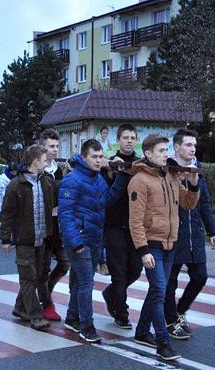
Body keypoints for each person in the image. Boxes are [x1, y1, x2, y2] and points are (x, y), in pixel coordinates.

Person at [128, 134, 200, 362]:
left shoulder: (170, 176)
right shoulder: (139, 180)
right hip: (152, 246)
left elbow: (188, 203)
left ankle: (141, 331)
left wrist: (194, 183)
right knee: (159, 290)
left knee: (156, 291)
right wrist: (143, 249)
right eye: (161, 150)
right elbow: (135, 220)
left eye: (166, 150)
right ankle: (162, 342)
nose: (166, 154)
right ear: (148, 153)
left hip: (171, 244)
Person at [58, 139, 124, 343]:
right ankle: (87, 326)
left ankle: (72, 317)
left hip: (95, 238)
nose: (98, 160)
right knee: (87, 281)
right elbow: (65, 214)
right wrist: (75, 241)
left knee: (79, 281)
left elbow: (107, 201)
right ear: (84, 157)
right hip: (80, 240)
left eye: (100, 156)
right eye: (94, 157)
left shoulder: (98, 179)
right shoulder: (72, 180)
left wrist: (121, 177)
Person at [164, 128, 215, 340]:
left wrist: (212, 230)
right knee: (170, 281)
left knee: (200, 276)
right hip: (173, 233)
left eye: (194, 145)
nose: (192, 148)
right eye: (188, 145)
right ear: (177, 146)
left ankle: (180, 311)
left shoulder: (199, 169)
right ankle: (170, 320)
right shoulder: (168, 168)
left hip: (194, 234)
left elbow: (204, 202)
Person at [0, 145, 57, 331]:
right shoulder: (16, 185)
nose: (47, 163)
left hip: (42, 238)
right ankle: (35, 315)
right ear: (35, 162)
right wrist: (6, 239)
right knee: (27, 277)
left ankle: (20, 307)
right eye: (45, 160)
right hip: (24, 239)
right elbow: (7, 214)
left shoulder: (46, 182)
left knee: (38, 276)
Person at [101, 124, 143, 330]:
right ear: (118, 140)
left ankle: (111, 294)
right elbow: (105, 198)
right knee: (119, 270)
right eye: (125, 137)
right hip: (114, 224)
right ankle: (122, 313)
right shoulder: (109, 165)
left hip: (135, 225)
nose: (129, 140)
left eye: (132, 137)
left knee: (135, 268)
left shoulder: (141, 164)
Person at [38, 129, 70, 322]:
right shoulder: (37, 169)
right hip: (42, 226)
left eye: (57, 146)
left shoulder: (57, 170)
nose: (55, 150)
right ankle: (46, 304)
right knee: (42, 269)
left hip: (58, 226)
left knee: (65, 262)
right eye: (51, 146)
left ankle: (43, 295)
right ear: (42, 146)